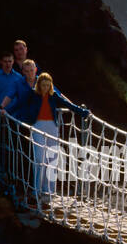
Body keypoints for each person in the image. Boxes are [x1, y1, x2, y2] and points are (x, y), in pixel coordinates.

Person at [15, 72, 88, 206]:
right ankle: (37, 190)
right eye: (43, 85)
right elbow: (20, 105)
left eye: (48, 85)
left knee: (52, 158)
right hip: (38, 126)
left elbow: (67, 104)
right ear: (39, 85)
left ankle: (49, 191)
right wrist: (4, 111)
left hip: (52, 127)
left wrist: (83, 112)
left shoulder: (53, 95)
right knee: (39, 158)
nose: (46, 88)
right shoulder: (32, 94)